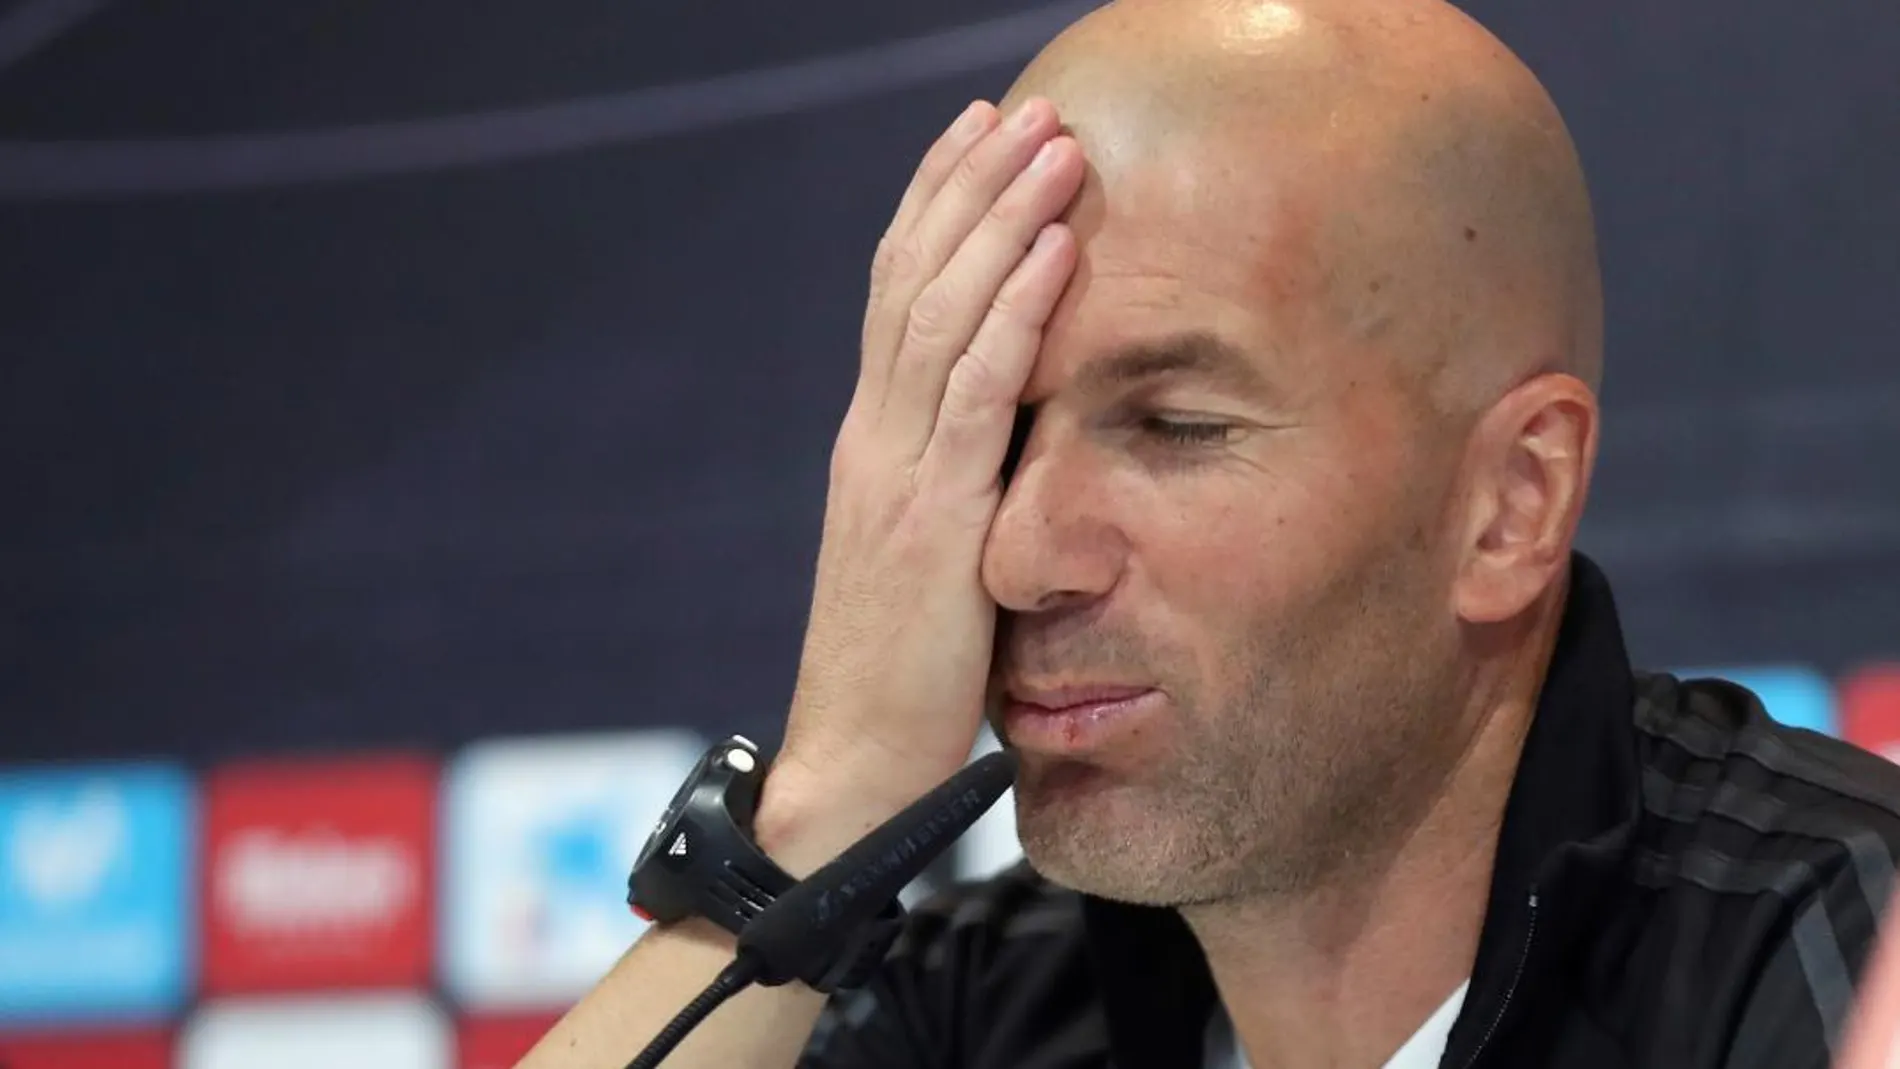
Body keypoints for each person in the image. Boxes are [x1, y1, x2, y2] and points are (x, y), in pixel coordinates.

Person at [522, 0, 1900, 1066]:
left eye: (1176, 428)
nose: (1017, 557)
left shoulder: (1830, 960)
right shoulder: (984, 1006)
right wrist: (833, 799)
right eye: (997, 431)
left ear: (1510, 506)